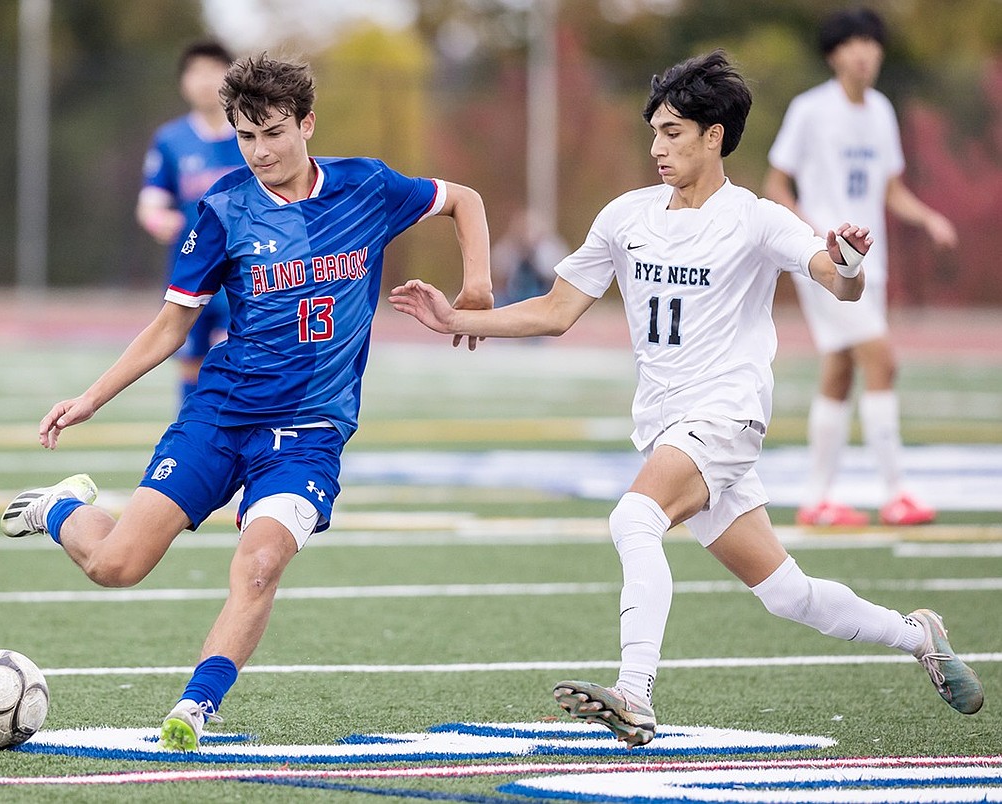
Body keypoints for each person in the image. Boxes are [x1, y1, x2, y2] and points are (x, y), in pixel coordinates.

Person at [390, 50, 982, 748]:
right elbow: (555, 310)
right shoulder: (626, 216)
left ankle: (635, 695)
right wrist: (456, 320)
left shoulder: (758, 219)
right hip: (669, 425)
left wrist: (850, 262)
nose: (657, 147)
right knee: (787, 594)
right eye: (654, 132)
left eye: (673, 132)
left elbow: (836, 280)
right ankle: (918, 635)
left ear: (715, 136)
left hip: (727, 415)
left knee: (633, 518)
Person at [0, 55, 493, 751]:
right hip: (222, 414)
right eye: (246, 137)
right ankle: (58, 507)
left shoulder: (369, 186)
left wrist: (477, 287)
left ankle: (196, 706)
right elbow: (173, 322)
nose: (260, 151)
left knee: (259, 562)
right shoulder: (225, 208)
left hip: (312, 431)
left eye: (273, 133)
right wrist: (91, 398)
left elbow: (463, 199)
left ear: (306, 123)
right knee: (117, 567)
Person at [763, 8, 958, 527]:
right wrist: (811, 239)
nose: (865, 52)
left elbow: (891, 189)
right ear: (833, 54)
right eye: (853, 43)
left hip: (871, 262)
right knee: (882, 360)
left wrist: (930, 218)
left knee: (841, 371)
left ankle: (815, 499)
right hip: (829, 263)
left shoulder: (881, 112)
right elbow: (776, 184)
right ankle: (896, 492)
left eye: (872, 43)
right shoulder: (810, 110)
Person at [137, 40, 247, 405]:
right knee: (190, 369)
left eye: (213, 70)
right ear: (183, 81)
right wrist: (159, 220)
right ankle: (192, 449)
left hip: (247, 273)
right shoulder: (171, 140)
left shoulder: (252, 132)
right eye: (195, 71)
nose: (204, 81)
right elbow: (150, 203)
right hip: (192, 271)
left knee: (243, 364)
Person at [491, 209, 569, 306]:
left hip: (542, 293)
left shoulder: (549, 248)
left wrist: (534, 257)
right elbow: (498, 274)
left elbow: (554, 275)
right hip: (511, 296)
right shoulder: (507, 248)